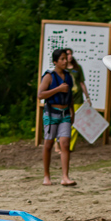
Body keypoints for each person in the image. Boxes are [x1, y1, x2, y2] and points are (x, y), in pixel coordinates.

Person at [38, 48, 76, 186]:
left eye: (66, 58)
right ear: (55, 62)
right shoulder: (49, 76)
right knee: (48, 144)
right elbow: (40, 95)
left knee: (65, 144)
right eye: (62, 59)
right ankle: (46, 176)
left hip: (65, 113)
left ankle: (65, 177)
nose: (65, 61)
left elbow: (70, 95)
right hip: (51, 113)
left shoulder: (68, 76)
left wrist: (72, 112)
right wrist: (58, 89)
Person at [57, 48, 91, 153]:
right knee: (63, 121)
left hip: (77, 98)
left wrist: (87, 96)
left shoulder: (77, 68)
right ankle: (59, 144)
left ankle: (70, 146)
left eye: (71, 54)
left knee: (76, 122)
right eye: (67, 54)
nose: (70, 56)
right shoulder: (62, 69)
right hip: (65, 99)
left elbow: (81, 83)